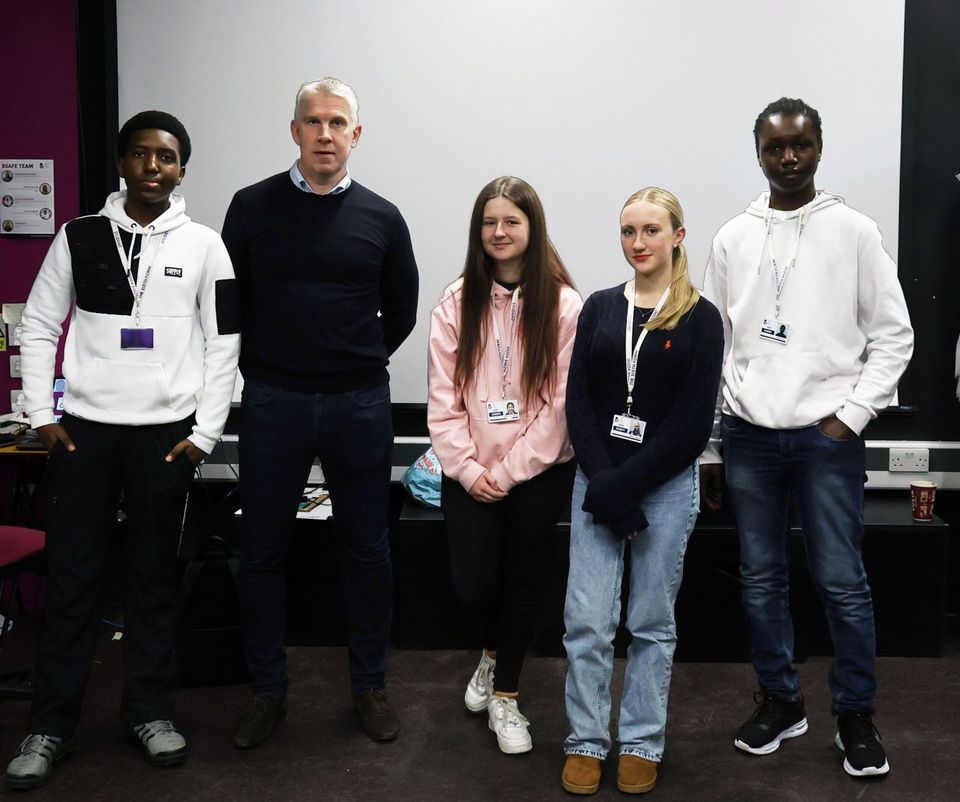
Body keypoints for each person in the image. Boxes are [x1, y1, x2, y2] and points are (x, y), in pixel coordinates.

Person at [8, 111, 240, 790]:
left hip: (165, 440)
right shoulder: (77, 236)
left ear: (181, 170)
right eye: (140, 155)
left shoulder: (205, 246)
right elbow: (40, 323)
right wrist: (39, 414)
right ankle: (50, 725)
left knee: (153, 579)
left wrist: (203, 433)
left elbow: (225, 342)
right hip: (84, 432)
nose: (152, 167)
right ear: (121, 162)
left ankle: (150, 712)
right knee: (74, 579)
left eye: (165, 157)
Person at [700, 97, 913, 778]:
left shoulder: (854, 231)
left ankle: (855, 715)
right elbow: (717, 342)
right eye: (774, 148)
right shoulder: (733, 236)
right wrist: (718, 432)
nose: (788, 158)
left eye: (801, 145)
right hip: (750, 439)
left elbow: (894, 335)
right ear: (757, 152)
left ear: (819, 147)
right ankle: (782, 701)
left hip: (827, 439)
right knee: (761, 582)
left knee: (841, 582)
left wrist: (850, 416)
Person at [221, 77, 418, 746]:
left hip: (358, 402)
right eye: (313, 121)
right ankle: (267, 693)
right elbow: (231, 307)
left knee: (366, 550)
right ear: (295, 131)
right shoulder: (250, 208)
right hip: (273, 401)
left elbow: (402, 309)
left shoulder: (383, 217)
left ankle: (369, 688)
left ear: (356, 134)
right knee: (262, 552)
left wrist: (351, 359)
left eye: (338, 122)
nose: (326, 133)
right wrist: (270, 367)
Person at [561, 188, 722, 795]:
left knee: (651, 623)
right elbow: (579, 404)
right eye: (628, 232)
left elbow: (690, 426)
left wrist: (622, 489)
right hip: (599, 484)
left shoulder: (701, 318)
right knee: (587, 622)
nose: (638, 244)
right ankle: (584, 741)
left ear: (678, 236)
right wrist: (606, 486)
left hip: (660, 488)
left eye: (651, 231)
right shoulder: (600, 307)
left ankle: (640, 741)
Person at [427, 176, 581, 754]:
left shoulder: (565, 306)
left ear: (532, 229)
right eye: (489, 222)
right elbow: (442, 402)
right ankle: (491, 654)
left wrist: (510, 471)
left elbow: (560, 407)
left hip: (539, 472)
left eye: (511, 221)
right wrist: (469, 471)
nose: (499, 232)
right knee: (472, 584)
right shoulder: (454, 302)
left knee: (522, 583)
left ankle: (508, 697)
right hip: (469, 471)